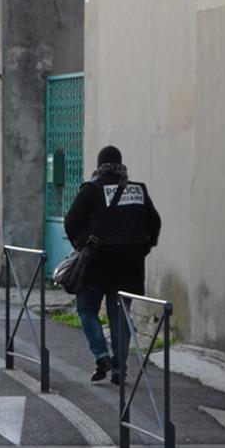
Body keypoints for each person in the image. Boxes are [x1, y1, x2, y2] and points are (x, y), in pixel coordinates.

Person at [63, 145, 162, 384]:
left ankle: (101, 354)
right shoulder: (138, 190)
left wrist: (81, 244)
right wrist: (144, 247)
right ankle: (120, 369)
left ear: (99, 166)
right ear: (120, 166)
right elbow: (155, 222)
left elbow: (71, 222)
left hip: (98, 261)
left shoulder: (91, 190)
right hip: (130, 263)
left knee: (87, 309)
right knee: (120, 315)